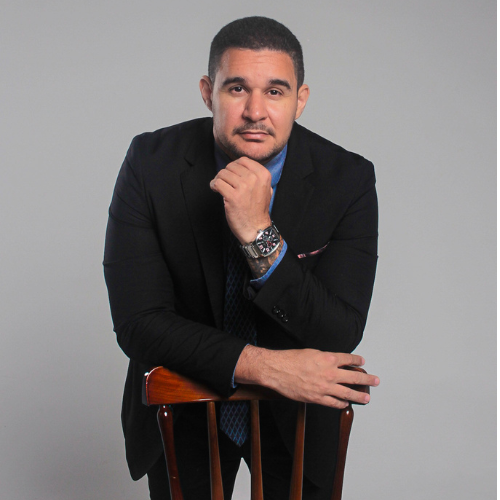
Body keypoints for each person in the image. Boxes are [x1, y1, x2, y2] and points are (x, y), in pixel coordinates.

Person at [104, 16, 380, 500]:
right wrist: (268, 368)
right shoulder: (150, 162)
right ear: (207, 92)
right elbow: (138, 323)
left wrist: (259, 233)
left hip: (298, 417)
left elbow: (338, 331)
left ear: (300, 99)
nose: (256, 111)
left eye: (275, 91)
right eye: (237, 89)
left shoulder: (348, 179)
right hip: (184, 405)